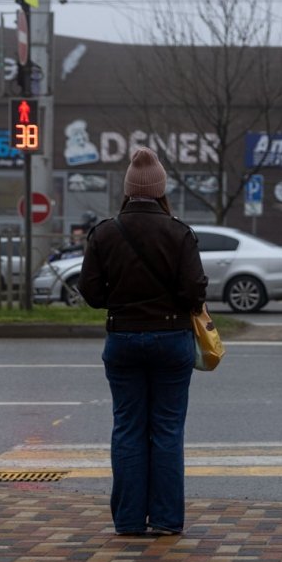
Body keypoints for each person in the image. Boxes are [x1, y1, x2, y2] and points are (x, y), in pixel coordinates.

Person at [78, 147, 208, 537]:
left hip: (122, 338)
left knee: (128, 428)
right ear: (160, 190)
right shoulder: (179, 232)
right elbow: (194, 292)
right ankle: (167, 519)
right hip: (172, 339)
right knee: (167, 430)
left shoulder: (104, 233)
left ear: (129, 190)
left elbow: (91, 292)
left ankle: (130, 520)